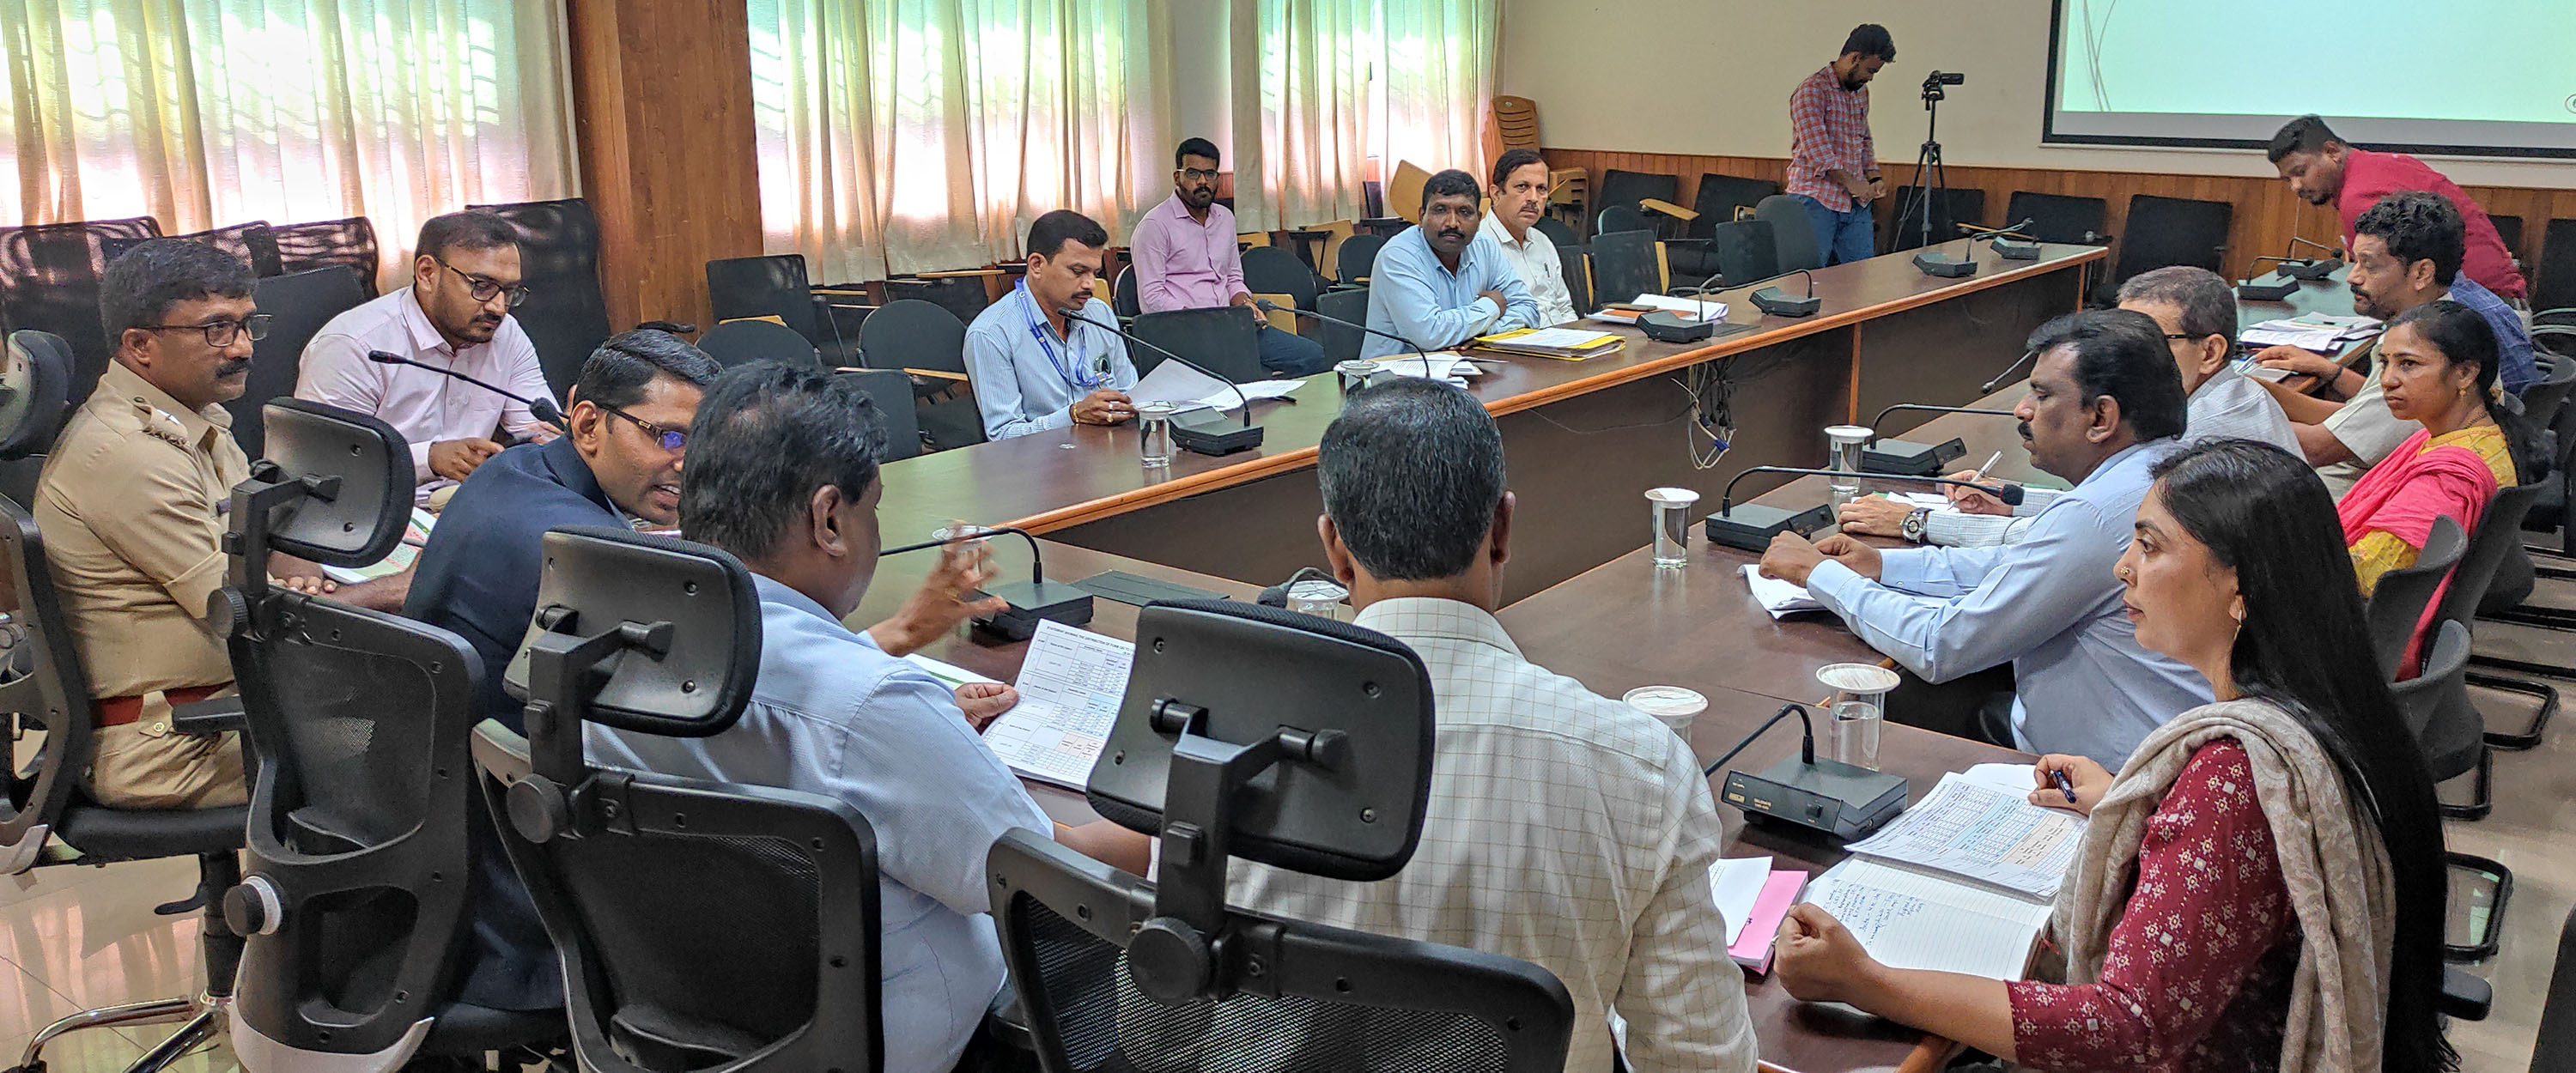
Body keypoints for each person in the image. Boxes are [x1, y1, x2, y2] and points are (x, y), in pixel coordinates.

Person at [1773, 440, 2455, 1073]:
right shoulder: (2328, 710)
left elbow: (2128, 1028)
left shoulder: (2235, 779)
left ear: (2239, 588)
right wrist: (2139, 806)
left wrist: (1867, 982)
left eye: (2149, 547)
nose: (2123, 567)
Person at [586, 361, 1148, 1073]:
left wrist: (924, 740)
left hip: (693, 1021)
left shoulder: (615, 638)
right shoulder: (870, 706)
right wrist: (1175, 821)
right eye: (872, 508)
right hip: (905, 1044)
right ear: (829, 519)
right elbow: (1047, 879)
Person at [1227, 379, 1759, 1073]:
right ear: (1502, 530)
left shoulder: (1224, 746)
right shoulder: (1641, 767)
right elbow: (1702, 1063)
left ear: (1334, 549)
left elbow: (1164, 1032)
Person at [36, 240, 401, 809]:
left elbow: (265, 538)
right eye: (216, 330)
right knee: (420, 745)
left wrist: (304, 571)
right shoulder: (128, 455)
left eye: (247, 325)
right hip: (176, 745)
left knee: (419, 711)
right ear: (140, 345)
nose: (243, 347)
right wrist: (391, 591)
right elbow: (249, 614)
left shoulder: (193, 418)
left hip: (233, 710)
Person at [1759, 310, 2209, 768]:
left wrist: (1821, 575)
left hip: (2111, 773)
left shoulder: (2094, 515)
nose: (2022, 409)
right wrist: (1882, 565)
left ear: (2101, 417)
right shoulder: (2161, 474)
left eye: (2042, 395)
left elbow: (1940, 646)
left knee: (1866, 718)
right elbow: (2016, 562)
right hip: (2152, 742)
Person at [1838, 266, 2300, 547]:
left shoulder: (2200, 433)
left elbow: (2088, 535)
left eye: (2148, 340)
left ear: (2211, 351)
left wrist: (1920, 523)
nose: (2121, 353)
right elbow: (2108, 508)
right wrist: (2012, 499)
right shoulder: (2228, 396)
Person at [2257, 192, 2537, 494]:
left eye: (2369, 265)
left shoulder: (2424, 350)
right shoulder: (2442, 324)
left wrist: (2232, 405)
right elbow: (2356, 418)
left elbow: (2319, 447)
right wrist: (2273, 388)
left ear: (2421, 273)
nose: (2353, 277)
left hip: (2342, 502)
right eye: (2355, 261)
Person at [297, 210, 560, 504]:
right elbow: (328, 468)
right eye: (482, 286)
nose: (498, 307)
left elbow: (538, 430)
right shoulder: (354, 345)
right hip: (375, 511)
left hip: (472, 502)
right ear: (427, 273)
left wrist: (572, 433)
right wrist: (430, 458)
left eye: (509, 291)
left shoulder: (505, 333)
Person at [2342, 300, 2547, 673]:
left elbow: (2370, 576)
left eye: (2408, 364)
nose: (2388, 379)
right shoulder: (2482, 433)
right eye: (2385, 363)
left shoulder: (2447, 479)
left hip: (2362, 637)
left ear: (2465, 373)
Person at [1127, 137, 1329, 377]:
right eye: (1193, 173)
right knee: (1240, 373)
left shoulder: (1225, 219)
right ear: (1177, 177)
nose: (1202, 181)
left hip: (1233, 326)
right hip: (1185, 334)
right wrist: (1202, 320)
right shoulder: (1155, 226)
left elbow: (1233, 277)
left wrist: (1246, 304)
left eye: (1210, 174)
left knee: (1314, 357)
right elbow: (1151, 297)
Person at [2270, 113, 2525, 300]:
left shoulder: (2360, 196)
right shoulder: (2383, 164)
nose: (2296, 186)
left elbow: (2389, 292)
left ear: (2332, 152)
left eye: (2300, 172)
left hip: (2477, 314)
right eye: (2287, 180)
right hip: (2501, 304)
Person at [965, 209, 1140, 440]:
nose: (1090, 284)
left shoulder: (1099, 313)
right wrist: (1073, 415)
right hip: (1043, 458)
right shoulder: (991, 333)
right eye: (1078, 271)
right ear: (1037, 265)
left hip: (1112, 446)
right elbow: (1003, 435)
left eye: (1095, 273)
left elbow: (1129, 391)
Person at [1361, 168, 1541, 358]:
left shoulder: (1485, 247)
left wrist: (1483, 332)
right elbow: (1429, 334)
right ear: (1421, 217)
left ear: (1479, 219)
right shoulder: (1398, 256)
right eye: (1440, 210)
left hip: (1468, 365)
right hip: (1397, 372)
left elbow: (1529, 310)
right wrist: (1491, 306)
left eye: (1464, 212)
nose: (1452, 223)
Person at [1786, 24, 1893, 266]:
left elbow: (1864, 139)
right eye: (1870, 70)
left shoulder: (1861, 92)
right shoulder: (1811, 91)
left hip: (1855, 203)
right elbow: (1818, 153)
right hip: (1815, 199)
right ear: (1855, 58)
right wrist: (1854, 183)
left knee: (1862, 276)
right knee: (1810, 278)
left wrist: (1874, 177)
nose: (1870, 78)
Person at [1479, 148, 1578, 327]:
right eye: (1522, 187)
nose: (1533, 198)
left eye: (1541, 189)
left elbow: (1564, 308)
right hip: (1515, 340)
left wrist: (1576, 337)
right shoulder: (1478, 246)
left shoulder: (1542, 241)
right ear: (1496, 194)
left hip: (1561, 337)